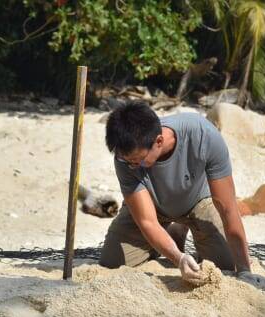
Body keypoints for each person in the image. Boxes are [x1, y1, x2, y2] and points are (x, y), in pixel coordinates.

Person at [99, 101, 252, 284]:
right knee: (112, 263)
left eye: (138, 161)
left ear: (159, 142)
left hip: (198, 202)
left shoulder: (204, 136)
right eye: (127, 161)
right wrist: (178, 258)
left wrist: (245, 270)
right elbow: (147, 222)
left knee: (225, 264)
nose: (132, 165)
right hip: (153, 205)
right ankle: (169, 236)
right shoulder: (125, 159)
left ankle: (181, 227)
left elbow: (227, 208)